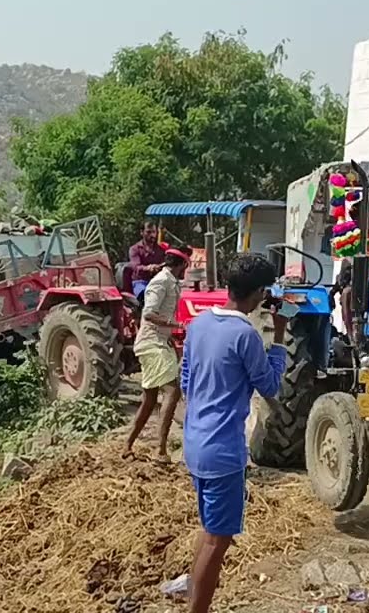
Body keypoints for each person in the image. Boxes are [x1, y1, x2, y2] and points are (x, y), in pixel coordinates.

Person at [179, 255, 287, 613]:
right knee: (218, 540)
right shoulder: (246, 336)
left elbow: (186, 380)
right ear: (258, 293)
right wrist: (281, 339)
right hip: (224, 452)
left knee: (208, 531)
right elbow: (270, 386)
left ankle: (192, 593)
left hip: (195, 443)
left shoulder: (198, 325)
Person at [124, 245, 192, 461]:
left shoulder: (169, 281)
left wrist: (170, 336)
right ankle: (161, 449)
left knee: (150, 399)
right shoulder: (162, 282)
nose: (185, 272)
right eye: (185, 267)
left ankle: (127, 445)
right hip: (151, 342)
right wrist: (177, 325)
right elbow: (150, 313)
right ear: (181, 265)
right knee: (172, 391)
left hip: (158, 340)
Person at [128, 219, 166, 298]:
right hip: (140, 282)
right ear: (142, 232)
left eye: (154, 232)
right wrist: (148, 268)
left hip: (158, 281)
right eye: (148, 232)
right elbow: (136, 267)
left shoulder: (161, 250)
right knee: (146, 295)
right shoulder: (135, 249)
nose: (152, 235)